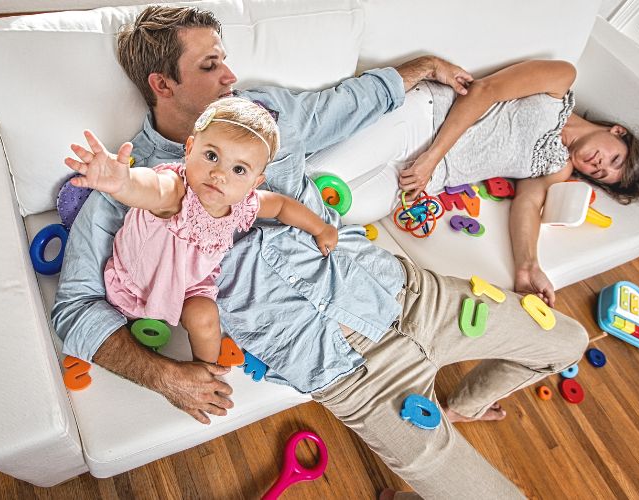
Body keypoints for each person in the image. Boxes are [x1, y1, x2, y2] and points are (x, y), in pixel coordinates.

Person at [52, 5, 588, 498]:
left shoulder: (262, 113)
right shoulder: (128, 191)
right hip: (349, 372)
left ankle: (461, 407)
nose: (230, 77)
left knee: (569, 341)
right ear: (162, 84)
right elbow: (74, 310)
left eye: (226, 61)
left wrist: (423, 66)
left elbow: (354, 102)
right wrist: (166, 377)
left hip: (408, 294)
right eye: (211, 65)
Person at [64, 98, 338, 363]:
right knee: (126, 326)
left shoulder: (243, 203)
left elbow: (280, 206)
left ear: (255, 182)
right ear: (189, 148)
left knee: (205, 317)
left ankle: (206, 371)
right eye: (211, 156)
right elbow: (151, 188)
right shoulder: (176, 191)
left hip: (191, 284)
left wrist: (320, 227)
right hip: (137, 282)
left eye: (239, 169)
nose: (220, 174)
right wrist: (125, 183)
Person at [391, 60, 639, 306]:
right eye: (614, 159)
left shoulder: (558, 168)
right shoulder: (560, 81)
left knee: (361, 206)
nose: (599, 164)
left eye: (601, 173)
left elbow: (527, 204)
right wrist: (432, 158)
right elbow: (484, 90)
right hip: (428, 120)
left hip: (423, 179)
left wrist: (528, 267)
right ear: (617, 131)